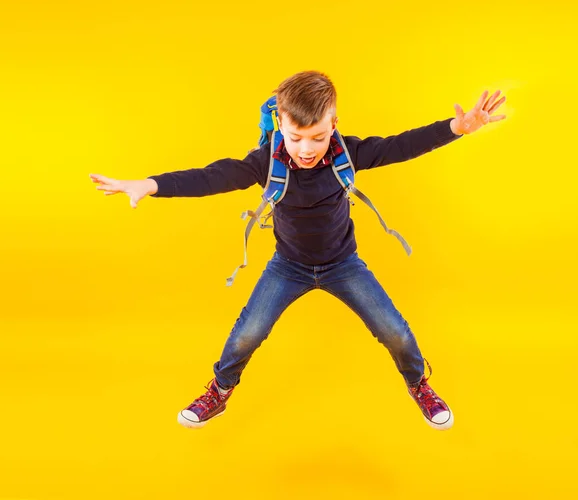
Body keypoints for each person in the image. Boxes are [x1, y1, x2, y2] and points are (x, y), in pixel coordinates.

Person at [89, 71, 506, 431]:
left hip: (344, 265)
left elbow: (401, 145)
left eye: (318, 137)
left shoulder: (350, 153)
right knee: (246, 335)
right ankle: (218, 391)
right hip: (287, 267)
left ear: (334, 124)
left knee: (394, 331)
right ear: (279, 126)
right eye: (296, 138)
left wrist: (457, 128)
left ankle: (419, 385)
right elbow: (212, 176)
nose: (307, 149)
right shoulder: (265, 161)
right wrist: (151, 184)